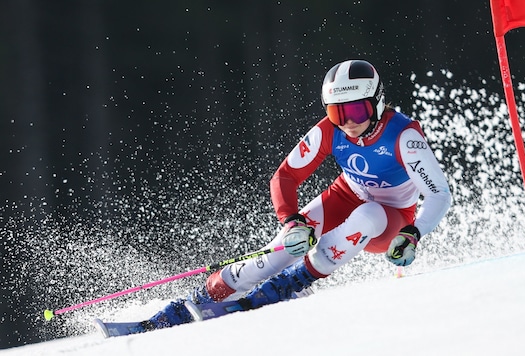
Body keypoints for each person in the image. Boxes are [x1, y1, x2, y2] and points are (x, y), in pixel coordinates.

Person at [144, 59, 452, 329]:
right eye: (336, 113)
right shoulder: (330, 131)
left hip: (391, 218)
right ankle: (199, 299)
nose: (347, 123)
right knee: (277, 252)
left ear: (378, 102)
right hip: (345, 196)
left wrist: (413, 233)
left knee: (367, 215)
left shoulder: (404, 135)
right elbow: (285, 176)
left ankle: (294, 282)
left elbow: (439, 194)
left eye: (357, 111)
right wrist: (291, 222)